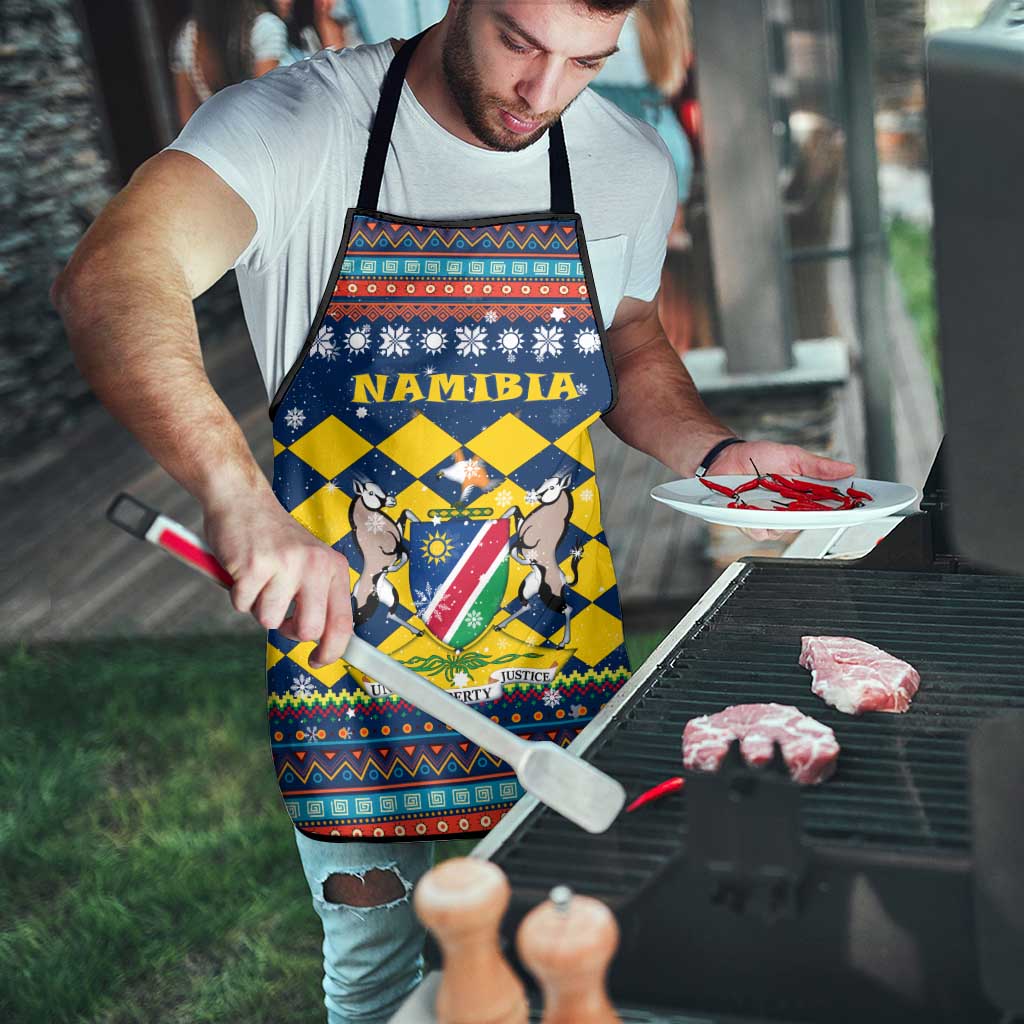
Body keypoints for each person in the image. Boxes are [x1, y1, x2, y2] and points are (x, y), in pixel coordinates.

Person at [53, 2, 856, 1021]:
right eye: (521, 42)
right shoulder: (298, 125)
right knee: (379, 976)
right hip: (350, 654)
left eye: (585, 62)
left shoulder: (624, 160)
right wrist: (237, 497)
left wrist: (717, 448)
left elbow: (630, 338)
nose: (543, 93)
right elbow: (113, 275)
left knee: (576, 954)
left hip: (551, 642)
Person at [170, 0, 289, 127]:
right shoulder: (266, 27)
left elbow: (187, 119)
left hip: (215, 139)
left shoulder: (188, 36)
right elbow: (266, 107)